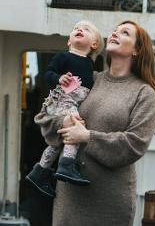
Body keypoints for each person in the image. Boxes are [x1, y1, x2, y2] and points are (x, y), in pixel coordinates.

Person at [35, 20, 155, 225]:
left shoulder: (143, 93)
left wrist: (87, 136)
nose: (115, 34)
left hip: (108, 200)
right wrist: (64, 121)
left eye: (125, 32)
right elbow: (44, 115)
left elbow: (135, 143)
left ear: (137, 49)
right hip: (69, 198)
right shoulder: (89, 80)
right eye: (114, 31)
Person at [25, 21, 103, 197]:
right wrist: (59, 78)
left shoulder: (90, 64)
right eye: (75, 29)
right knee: (75, 129)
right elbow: (47, 73)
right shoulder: (63, 57)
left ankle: (40, 171)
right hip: (63, 100)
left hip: (73, 103)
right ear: (69, 41)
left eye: (86, 29)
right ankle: (67, 165)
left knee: (58, 141)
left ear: (94, 44)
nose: (79, 29)